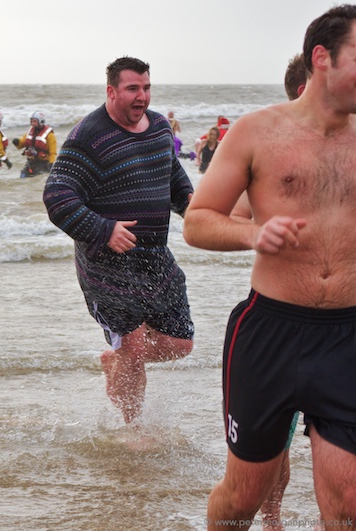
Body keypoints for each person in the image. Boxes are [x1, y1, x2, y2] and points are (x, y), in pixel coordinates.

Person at [183, 5, 356, 529]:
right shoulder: (258, 131)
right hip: (270, 332)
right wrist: (254, 234)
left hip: (349, 336)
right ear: (322, 57)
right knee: (242, 500)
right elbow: (197, 221)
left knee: (348, 504)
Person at [43, 56, 194, 424]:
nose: (141, 96)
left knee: (180, 344)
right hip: (105, 263)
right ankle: (132, 428)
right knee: (135, 344)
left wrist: (195, 208)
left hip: (155, 258)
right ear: (112, 92)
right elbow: (57, 196)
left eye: (145, 88)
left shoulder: (159, 127)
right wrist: (103, 229)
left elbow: (173, 176)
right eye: (132, 88)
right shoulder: (88, 136)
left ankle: (118, 359)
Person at [227, 52, 309, 531]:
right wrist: (263, 230)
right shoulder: (273, 150)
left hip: (342, 321)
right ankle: (273, 520)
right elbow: (230, 217)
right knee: (277, 441)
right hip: (281, 321)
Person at [11, 110, 57, 178]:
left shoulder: (50, 136)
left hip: (43, 163)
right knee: (22, 176)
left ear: (41, 122)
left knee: (37, 178)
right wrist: (17, 142)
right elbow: (22, 144)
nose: (32, 123)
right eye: (31, 121)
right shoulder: (30, 132)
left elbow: (53, 153)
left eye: (35, 121)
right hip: (31, 162)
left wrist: (51, 164)